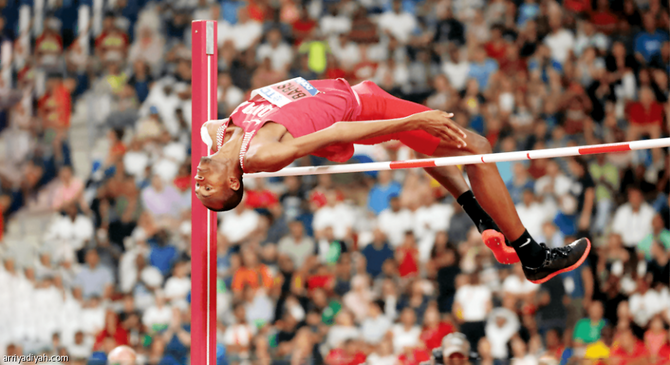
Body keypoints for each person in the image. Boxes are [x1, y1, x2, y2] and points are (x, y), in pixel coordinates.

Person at [194, 77, 590, 283]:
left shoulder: (217, 133)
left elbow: (209, 130)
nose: (198, 180)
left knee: (431, 145)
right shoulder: (261, 155)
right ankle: (532, 255)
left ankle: (480, 215)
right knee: (478, 148)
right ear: (233, 184)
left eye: (199, 187)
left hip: (356, 95)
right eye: (206, 189)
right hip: (363, 111)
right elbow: (332, 135)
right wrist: (413, 119)